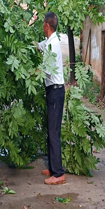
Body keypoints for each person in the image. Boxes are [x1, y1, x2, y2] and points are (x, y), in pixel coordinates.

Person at [35, 11, 66, 185]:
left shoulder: (53, 45)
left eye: (42, 23)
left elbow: (46, 70)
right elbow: (39, 45)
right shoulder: (50, 42)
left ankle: (59, 173)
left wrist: (32, 74)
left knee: (53, 132)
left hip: (55, 91)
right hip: (52, 91)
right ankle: (53, 167)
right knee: (51, 130)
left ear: (47, 25)